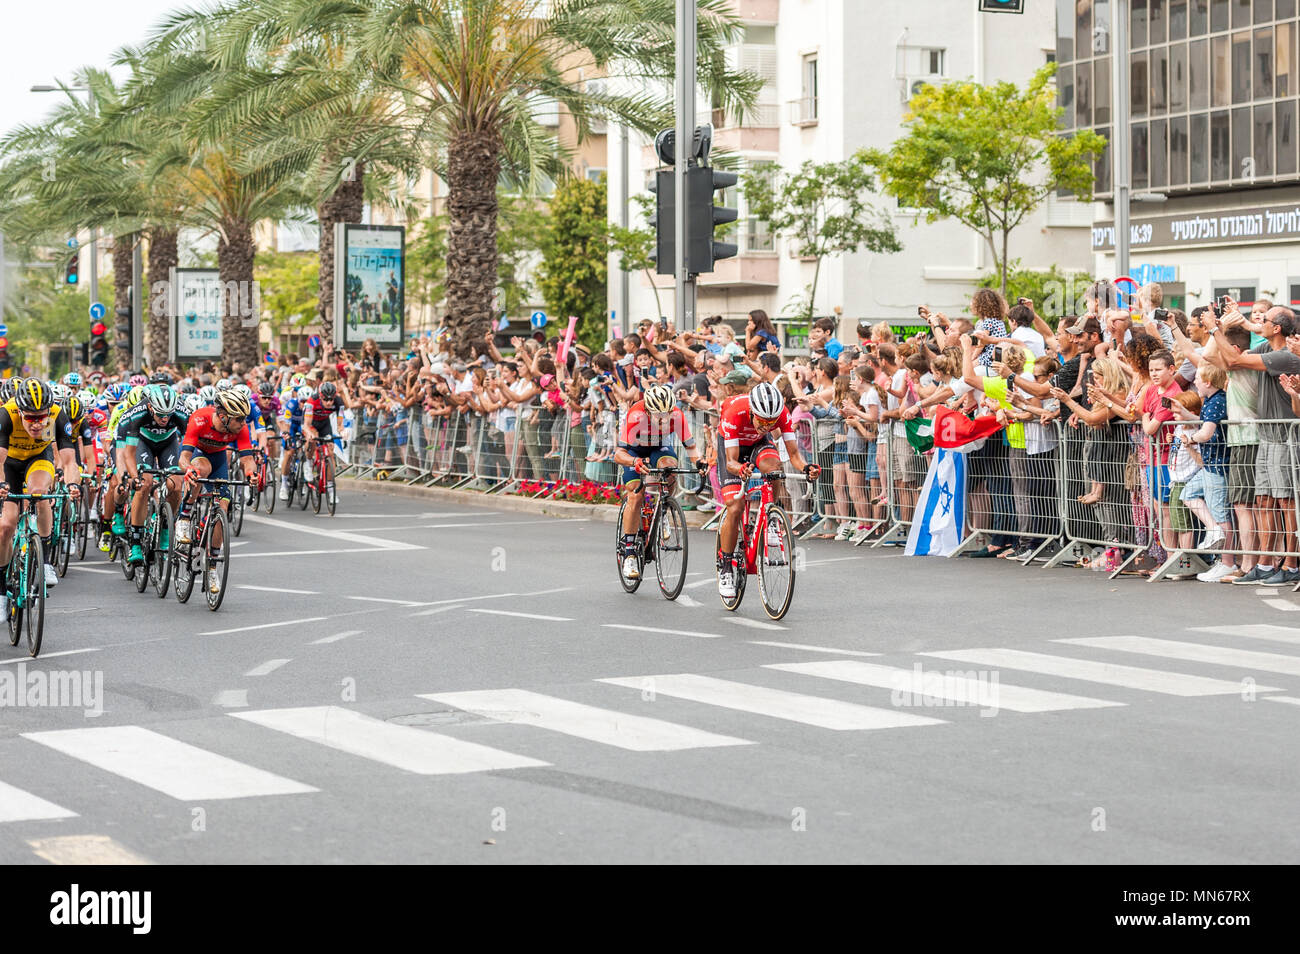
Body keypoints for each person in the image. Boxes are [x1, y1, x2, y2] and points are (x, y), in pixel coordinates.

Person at [715, 381, 820, 599]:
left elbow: (793, 455)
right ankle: (725, 566)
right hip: (733, 448)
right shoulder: (734, 412)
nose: (766, 426)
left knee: (774, 469)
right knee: (735, 508)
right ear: (753, 411)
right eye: (762, 421)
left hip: (758, 444)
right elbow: (731, 462)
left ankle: (771, 516)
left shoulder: (781, 414)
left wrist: (807, 468)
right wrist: (741, 469)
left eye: (771, 423)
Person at [610, 384, 705, 580]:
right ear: (647, 411)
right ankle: (629, 552)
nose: (663, 420)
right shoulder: (636, 415)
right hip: (634, 452)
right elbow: (618, 454)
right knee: (635, 496)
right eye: (658, 415)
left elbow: (691, 447)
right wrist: (634, 462)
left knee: (670, 467)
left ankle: (663, 509)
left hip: (658, 448)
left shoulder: (677, 415)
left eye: (667, 415)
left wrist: (700, 463)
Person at [0, 380, 80, 604]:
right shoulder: (7, 414)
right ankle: (0, 589)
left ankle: (44, 562)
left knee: (39, 493)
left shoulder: (57, 414)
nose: (37, 424)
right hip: (9, 464)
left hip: (38, 459)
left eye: (41, 417)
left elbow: (69, 459)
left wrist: (73, 484)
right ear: (21, 411)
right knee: (6, 525)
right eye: (30, 418)